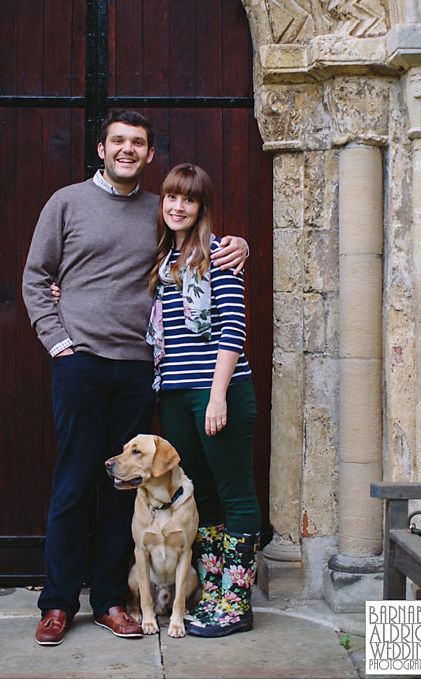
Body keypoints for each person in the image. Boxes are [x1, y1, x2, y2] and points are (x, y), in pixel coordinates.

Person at [21, 109, 248, 646]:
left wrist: (242, 246)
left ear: (150, 155)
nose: (127, 149)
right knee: (75, 481)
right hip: (79, 362)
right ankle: (56, 604)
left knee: (126, 487)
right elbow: (36, 277)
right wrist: (60, 344)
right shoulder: (67, 202)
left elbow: (199, 242)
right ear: (101, 149)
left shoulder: (159, 210)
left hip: (139, 367)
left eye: (138, 143)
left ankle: (107, 600)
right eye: (117, 141)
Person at [146, 163, 262, 637]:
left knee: (235, 491)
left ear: (201, 208)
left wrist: (217, 399)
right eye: (171, 197)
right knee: (204, 495)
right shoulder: (162, 260)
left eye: (188, 200)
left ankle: (236, 604)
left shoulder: (218, 255)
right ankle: (211, 593)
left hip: (218, 392)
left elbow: (232, 328)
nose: (177, 206)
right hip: (174, 393)